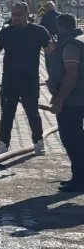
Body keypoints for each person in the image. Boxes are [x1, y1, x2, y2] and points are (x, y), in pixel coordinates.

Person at [0, 1, 52, 158]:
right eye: (13, 15)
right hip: (9, 80)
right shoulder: (6, 33)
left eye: (19, 15)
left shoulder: (39, 32)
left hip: (30, 80)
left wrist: (52, 77)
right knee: (7, 114)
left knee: (32, 112)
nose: (16, 18)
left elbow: (50, 54)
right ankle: (3, 144)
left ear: (28, 14)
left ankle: (38, 141)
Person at [46, 14, 84, 192]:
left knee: (73, 140)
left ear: (60, 28)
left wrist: (59, 99)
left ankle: (79, 180)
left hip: (74, 100)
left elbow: (71, 75)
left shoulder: (70, 45)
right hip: (76, 99)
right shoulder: (77, 40)